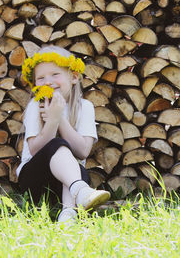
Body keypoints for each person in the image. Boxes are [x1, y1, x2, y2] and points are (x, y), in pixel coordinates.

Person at [16, 45, 110, 222]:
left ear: (74, 77)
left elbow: (82, 151)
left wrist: (60, 118)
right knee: (57, 144)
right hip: (36, 180)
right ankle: (79, 193)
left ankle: (68, 214)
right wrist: (51, 121)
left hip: (67, 184)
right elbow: (36, 150)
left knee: (77, 167)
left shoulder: (85, 107)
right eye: (41, 78)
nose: (48, 81)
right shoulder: (36, 106)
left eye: (55, 74)